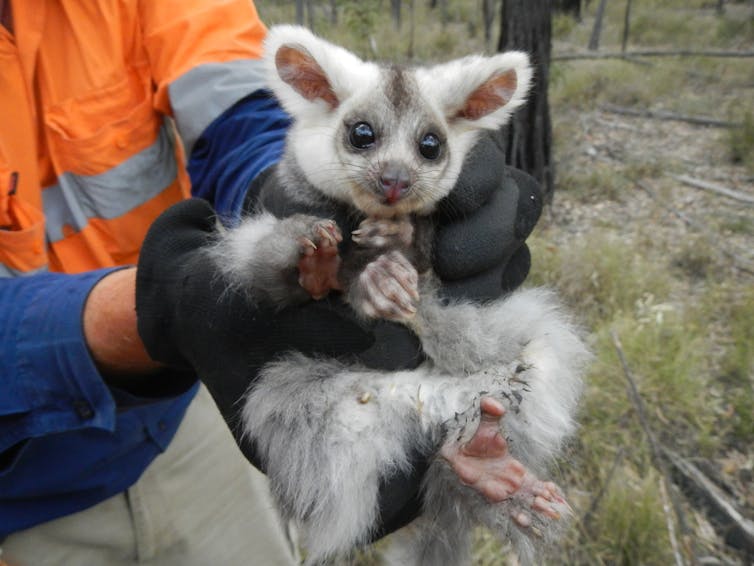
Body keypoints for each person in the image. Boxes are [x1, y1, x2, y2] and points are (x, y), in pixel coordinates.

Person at [0, 1, 543, 564]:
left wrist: (284, 187)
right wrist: (154, 314)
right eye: (364, 140)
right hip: (24, 484)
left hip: (198, 410)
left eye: (426, 151)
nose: (395, 173)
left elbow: (239, 108)